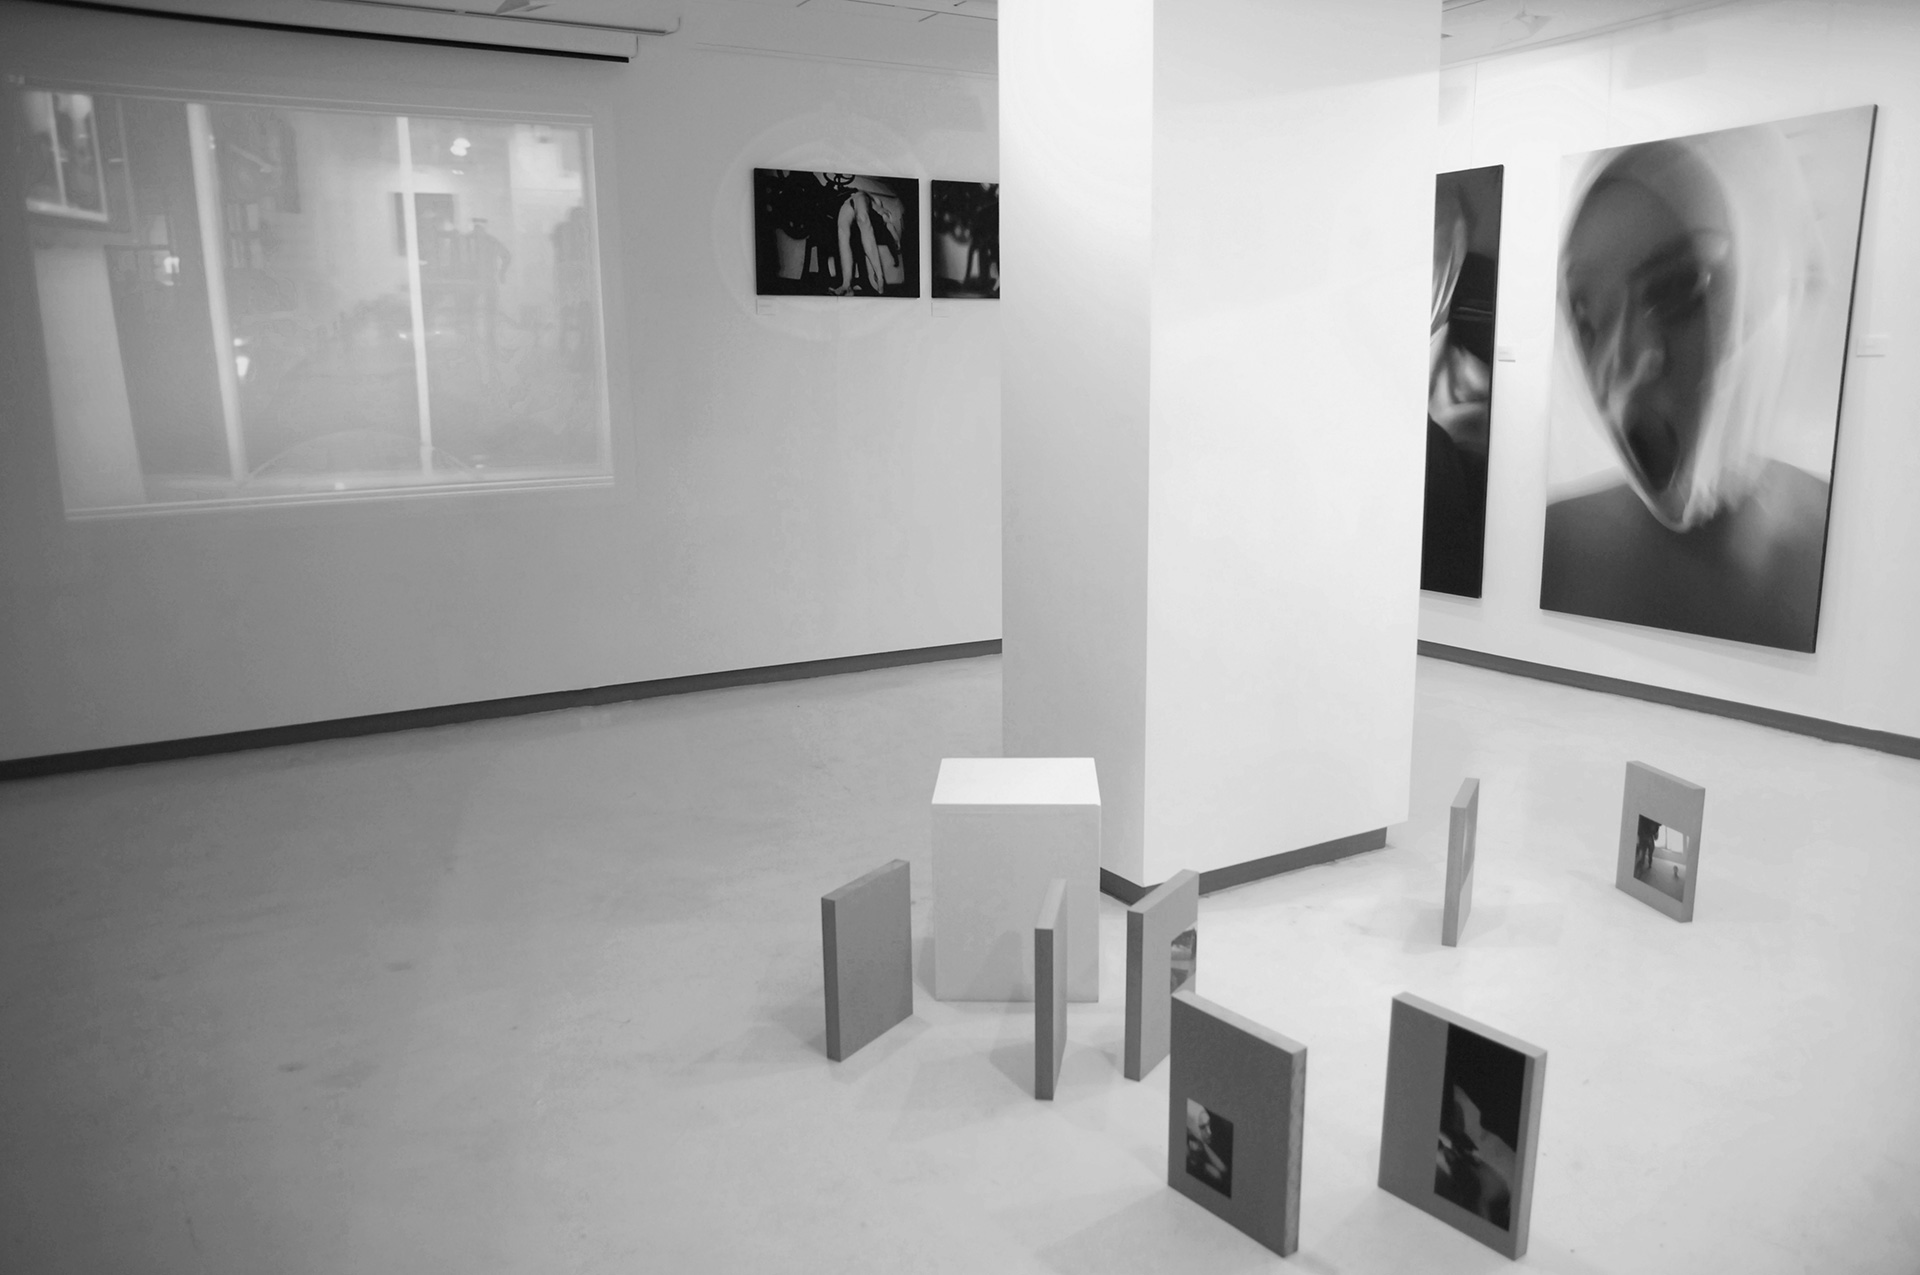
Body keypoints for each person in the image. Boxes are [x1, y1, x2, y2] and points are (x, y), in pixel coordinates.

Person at [1540, 125, 1846, 652]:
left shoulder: (1870, 554)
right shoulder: (1553, 548)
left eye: (1678, 288)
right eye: (1586, 319)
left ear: (1768, 285)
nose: (1620, 366)